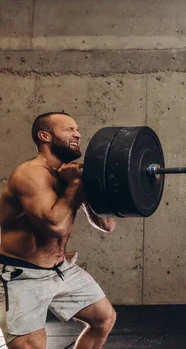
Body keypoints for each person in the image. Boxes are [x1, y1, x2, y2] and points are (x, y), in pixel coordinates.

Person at [0, 112, 118, 349]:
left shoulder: (69, 175)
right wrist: (75, 185)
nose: (78, 134)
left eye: (77, 130)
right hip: (21, 275)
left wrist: (94, 187)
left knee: (103, 319)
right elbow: (56, 225)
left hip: (59, 269)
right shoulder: (30, 174)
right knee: (31, 344)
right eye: (69, 130)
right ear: (45, 136)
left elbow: (106, 225)